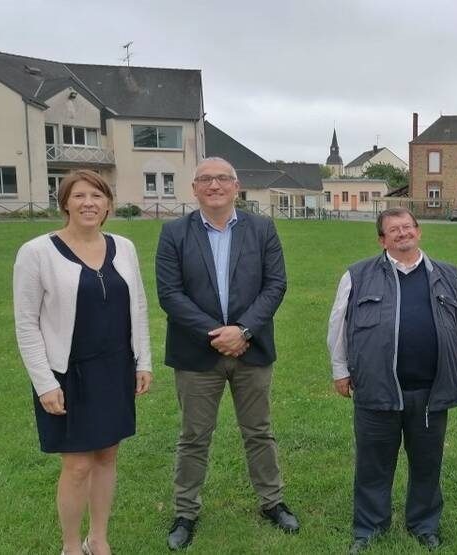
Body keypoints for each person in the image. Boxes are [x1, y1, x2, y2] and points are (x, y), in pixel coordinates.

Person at [156, 157, 298, 550]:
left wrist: (244, 330)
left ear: (236, 187)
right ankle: (185, 512)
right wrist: (217, 334)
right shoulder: (174, 234)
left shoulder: (262, 229)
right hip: (196, 354)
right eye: (205, 179)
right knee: (194, 436)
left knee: (259, 431)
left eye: (222, 178)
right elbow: (170, 294)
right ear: (194, 189)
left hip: (252, 350)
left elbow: (275, 285)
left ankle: (272, 502)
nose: (214, 185)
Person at [13, 169, 152, 555]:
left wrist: (143, 362)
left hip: (115, 368)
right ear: (65, 204)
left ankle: (99, 538)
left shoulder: (124, 247)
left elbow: (137, 306)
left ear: (108, 204)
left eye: (97, 195)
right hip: (67, 374)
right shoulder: (37, 252)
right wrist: (44, 383)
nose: (88, 203)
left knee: (107, 455)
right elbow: (26, 324)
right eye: (79, 196)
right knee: (77, 465)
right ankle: (72, 545)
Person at [327, 207, 457, 553]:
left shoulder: (448, 275)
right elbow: (339, 326)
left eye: (408, 227)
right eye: (394, 230)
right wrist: (341, 370)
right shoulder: (358, 275)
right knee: (372, 464)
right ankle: (368, 528)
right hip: (376, 390)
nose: (402, 233)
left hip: (429, 392)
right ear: (383, 239)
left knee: (427, 463)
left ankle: (424, 524)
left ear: (419, 232)